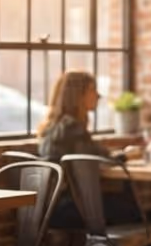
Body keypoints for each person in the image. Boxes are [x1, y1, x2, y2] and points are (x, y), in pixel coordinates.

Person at [37, 70, 144, 229]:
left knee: (126, 203)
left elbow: (94, 156)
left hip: (48, 209)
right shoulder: (73, 130)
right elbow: (102, 160)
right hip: (70, 209)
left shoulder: (54, 129)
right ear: (78, 96)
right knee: (132, 208)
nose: (98, 96)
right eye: (93, 90)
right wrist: (127, 155)